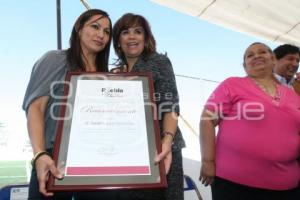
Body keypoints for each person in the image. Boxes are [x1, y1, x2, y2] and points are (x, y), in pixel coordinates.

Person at [22, 9, 112, 200]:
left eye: (106, 31)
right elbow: (36, 108)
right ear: (79, 29)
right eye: (95, 26)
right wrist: (39, 154)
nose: (101, 35)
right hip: (52, 161)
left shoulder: (109, 76)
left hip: (95, 163)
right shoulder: (55, 59)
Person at [199, 42, 300, 200]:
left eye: (262, 52)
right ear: (244, 65)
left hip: (286, 186)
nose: (256, 56)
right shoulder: (232, 84)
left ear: (273, 59)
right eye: (250, 55)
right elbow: (207, 121)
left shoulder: (294, 94)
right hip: (233, 183)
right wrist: (207, 162)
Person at [111, 13, 186, 200]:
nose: (132, 36)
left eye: (138, 31)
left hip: (162, 150)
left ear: (146, 38)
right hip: (128, 151)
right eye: (125, 32)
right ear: (118, 40)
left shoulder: (159, 61)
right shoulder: (114, 74)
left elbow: (171, 106)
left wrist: (167, 140)